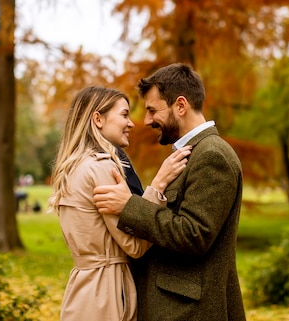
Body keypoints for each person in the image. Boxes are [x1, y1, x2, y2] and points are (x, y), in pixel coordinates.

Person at [93, 63, 247, 321]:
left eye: (153, 110)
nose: (147, 120)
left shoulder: (212, 156)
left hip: (187, 311)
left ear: (181, 106)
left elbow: (194, 235)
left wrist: (129, 206)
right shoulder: (193, 153)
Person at [48, 86, 191, 321]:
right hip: (107, 295)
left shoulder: (75, 166)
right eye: (124, 115)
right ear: (98, 119)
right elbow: (135, 247)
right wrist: (158, 186)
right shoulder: (102, 167)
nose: (132, 123)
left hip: (83, 290)